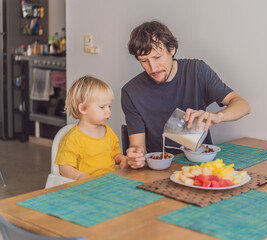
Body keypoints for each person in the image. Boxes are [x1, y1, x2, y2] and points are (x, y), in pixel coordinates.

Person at [121, 20, 251, 169]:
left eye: (157, 57)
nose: (153, 68)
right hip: (160, 169)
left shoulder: (197, 71)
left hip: (200, 165)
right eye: (144, 61)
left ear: (172, 50)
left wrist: (218, 116)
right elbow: (138, 147)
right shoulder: (131, 92)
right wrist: (135, 157)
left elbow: (243, 105)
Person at [55, 75, 127, 180]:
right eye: (102, 107)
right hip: (86, 189)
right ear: (83, 108)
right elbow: (64, 167)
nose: (108, 111)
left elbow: (114, 155)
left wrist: (122, 159)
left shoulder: (108, 132)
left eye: (109, 106)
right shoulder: (73, 139)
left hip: (109, 183)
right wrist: (81, 176)